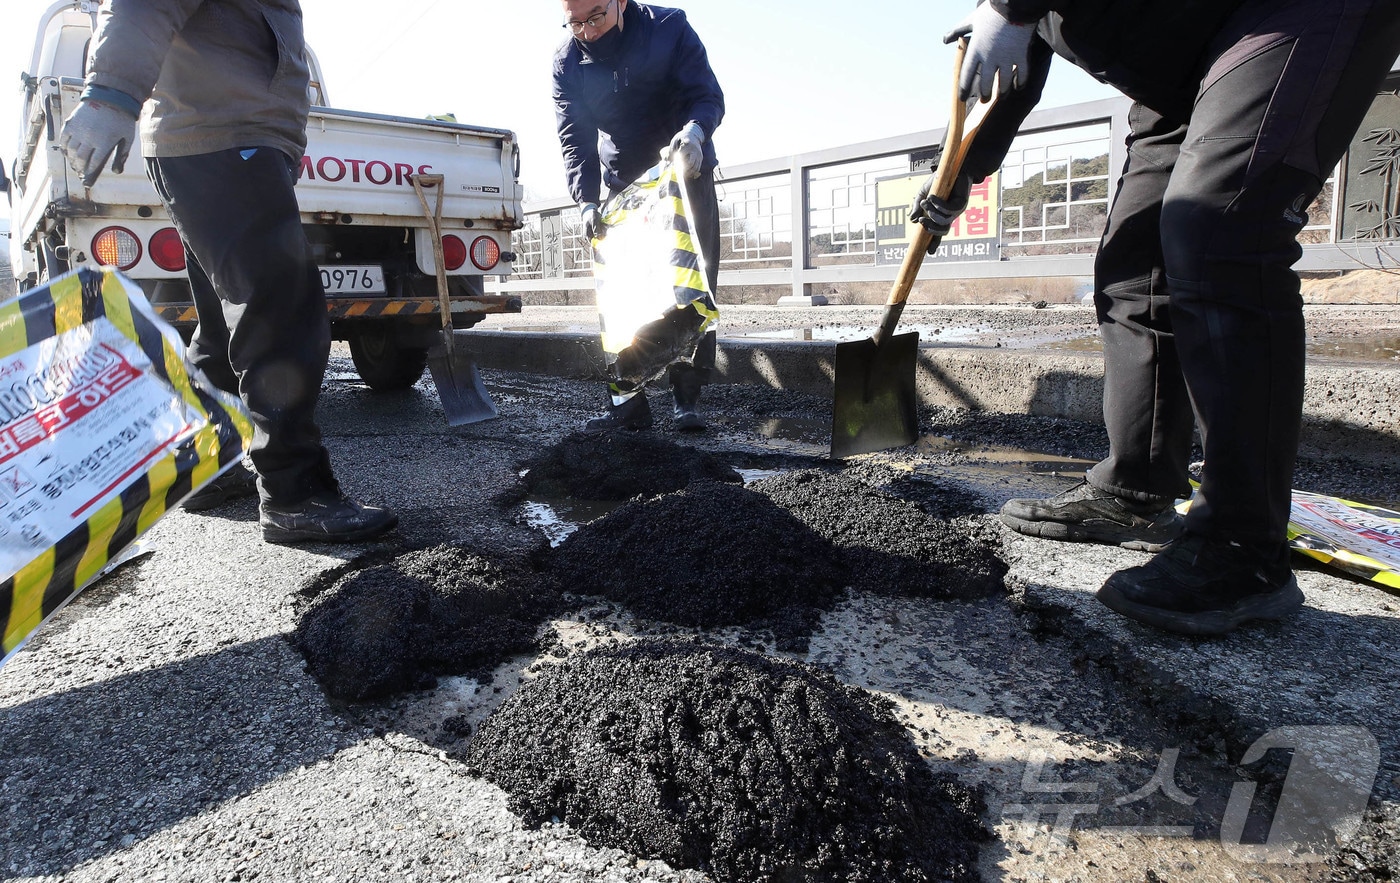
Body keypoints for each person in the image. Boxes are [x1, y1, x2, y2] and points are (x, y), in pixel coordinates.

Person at [912, 0, 1400, 635]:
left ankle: (1243, 548)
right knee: (1133, 266)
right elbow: (1014, 78)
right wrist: (957, 180)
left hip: (1289, 14)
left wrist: (1006, 7)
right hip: (1177, 72)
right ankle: (1135, 492)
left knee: (1219, 228)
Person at [60, 0, 398, 545]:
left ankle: (205, 471)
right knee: (281, 310)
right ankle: (295, 494)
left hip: (228, 140)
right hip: (219, 138)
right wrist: (112, 94)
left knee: (222, 324)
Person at [552, 0, 725, 432]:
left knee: (689, 282)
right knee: (626, 293)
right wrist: (587, 201)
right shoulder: (567, 61)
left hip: (684, 170)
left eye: (596, 17)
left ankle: (687, 398)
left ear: (620, 3)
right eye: (575, 23)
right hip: (625, 184)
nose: (588, 31)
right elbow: (575, 137)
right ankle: (629, 403)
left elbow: (705, 94)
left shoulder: (668, 27)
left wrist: (695, 132)